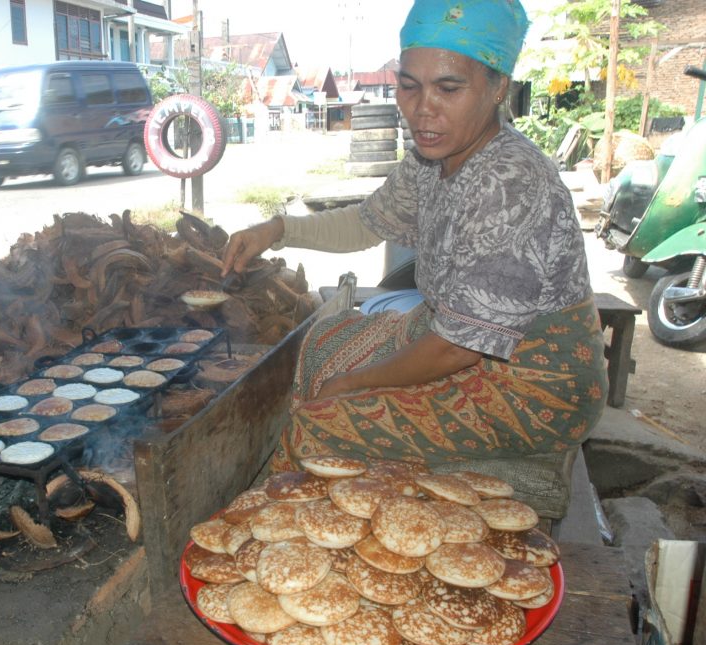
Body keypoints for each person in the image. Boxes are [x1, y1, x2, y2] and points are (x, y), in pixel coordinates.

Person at [221, 0, 607, 472]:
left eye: (448, 88)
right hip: (451, 335)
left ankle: (307, 522)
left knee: (320, 423)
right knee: (323, 345)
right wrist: (276, 229)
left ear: (497, 87)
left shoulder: (510, 184)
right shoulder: (432, 159)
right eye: (409, 86)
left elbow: (458, 346)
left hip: (527, 384)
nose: (423, 109)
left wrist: (356, 384)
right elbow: (368, 221)